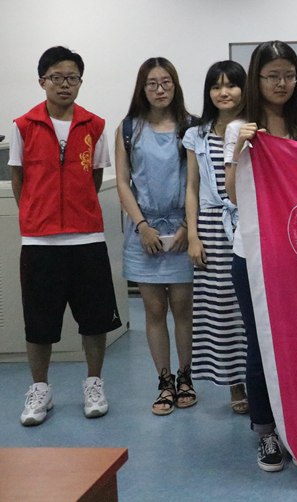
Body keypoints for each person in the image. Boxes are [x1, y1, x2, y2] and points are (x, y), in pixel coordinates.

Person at [224, 40, 297, 472]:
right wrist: (240, 152)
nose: (281, 84)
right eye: (272, 76)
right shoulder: (239, 129)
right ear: (257, 79)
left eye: (288, 75)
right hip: (252, 254)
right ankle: (265, 430)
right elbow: (233, 195)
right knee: (260, 342)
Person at [11, 46, 122, 426]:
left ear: (80, 82)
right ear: (42, 81)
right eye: (56, 77)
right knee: (39, 323)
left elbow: (95, 177)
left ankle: (94, 384)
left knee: (95, 320)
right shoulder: (24, 126)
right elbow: (18, 178)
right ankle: (40, 389)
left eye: (71, 78)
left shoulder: (95, 126)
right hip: (39, 242)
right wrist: (35, 216)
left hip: (86, 239)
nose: (64, 84)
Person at [114, 57, 196, 416]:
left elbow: (197, 183)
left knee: (182, 307)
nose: (160, 89)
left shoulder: (191, 127)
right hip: (143, 231)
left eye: (166, 82)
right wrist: (142, 226)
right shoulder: (128, 128)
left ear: (175, 86)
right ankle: (164, 381)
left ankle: (186, 377)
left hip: (182, 229)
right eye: (152, 83)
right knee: (153, 309)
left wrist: (188, 228)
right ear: (142, 88)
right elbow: (122, 182)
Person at [183, 60, 249, 415]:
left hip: (250, 222)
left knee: (250, 306)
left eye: (231, 85)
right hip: (212, 224)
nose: (224, 92)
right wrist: (193, 235)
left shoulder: (254, 127)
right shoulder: (197, 133)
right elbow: (192, 188)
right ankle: (235, 384)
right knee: (222, 309)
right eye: (216, 86)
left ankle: (259, 380)